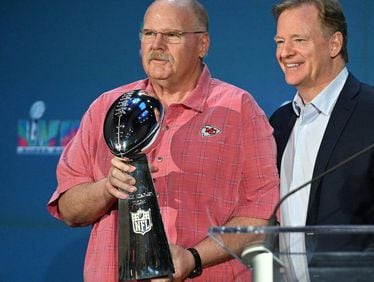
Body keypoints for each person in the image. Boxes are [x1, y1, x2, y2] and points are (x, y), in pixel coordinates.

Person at [47, 0, 279, 281]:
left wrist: (192, 258)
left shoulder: (239, 109)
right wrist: (107, 188)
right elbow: (69, 208)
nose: (157, 44)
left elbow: (260, 217)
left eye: (172, 35)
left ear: (202, 44)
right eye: (148, 34)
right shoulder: (107, 108)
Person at [269, 0, 374, 281]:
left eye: (299, 39)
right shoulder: (280, 122)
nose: (285, 52)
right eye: (280, 41)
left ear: (334, 44)